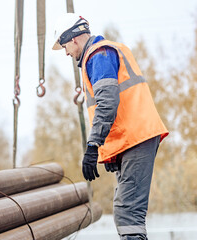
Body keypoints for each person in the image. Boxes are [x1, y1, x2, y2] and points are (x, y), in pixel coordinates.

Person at [52, 13, 169, 240]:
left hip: (136, 137)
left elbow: (107, 102)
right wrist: (112, 154)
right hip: (132, 137)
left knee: (127, 212)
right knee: (125, 208)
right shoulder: (103, 53)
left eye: (64, 45)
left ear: (74, 39)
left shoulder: (99, 55)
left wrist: (93, 145)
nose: (65, 52)